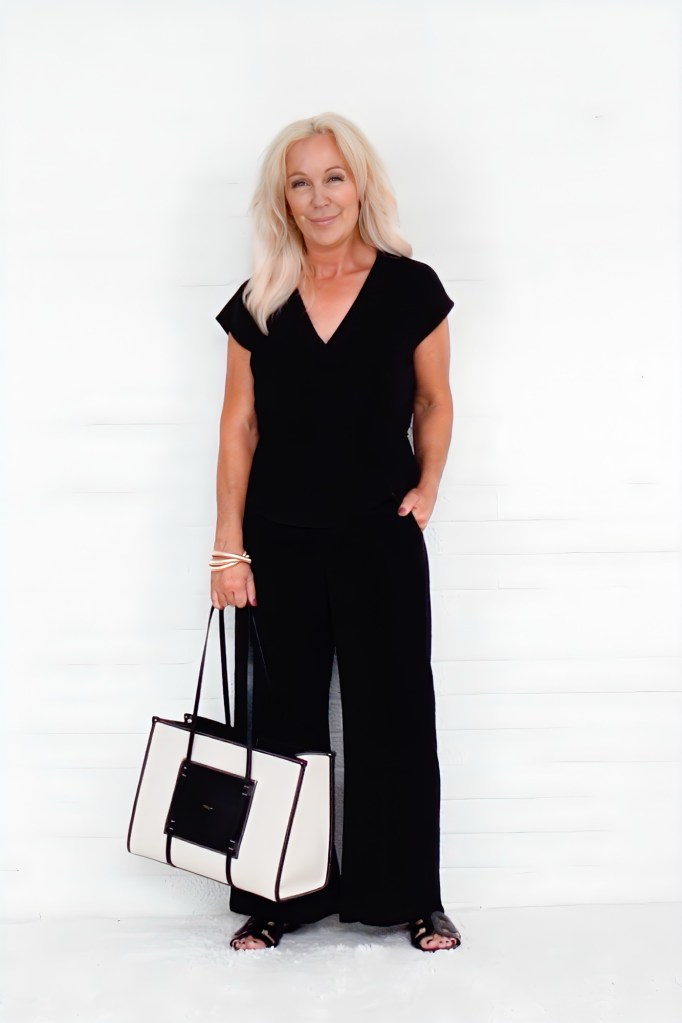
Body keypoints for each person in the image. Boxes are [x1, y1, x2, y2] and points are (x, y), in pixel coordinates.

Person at [212, 112, 462, 955]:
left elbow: (434, 400)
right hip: (277, 538)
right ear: (281, 199)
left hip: (380, 534)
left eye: (332, 177)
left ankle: (413, 896)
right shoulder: (261, 298)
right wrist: (227, 545)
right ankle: (281, 895)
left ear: (359, 184)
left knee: (394, 710)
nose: (318, 197)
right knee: (284, 716)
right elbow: (238, 425)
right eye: (299, 181)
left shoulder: (410, 286)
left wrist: (427, 486)